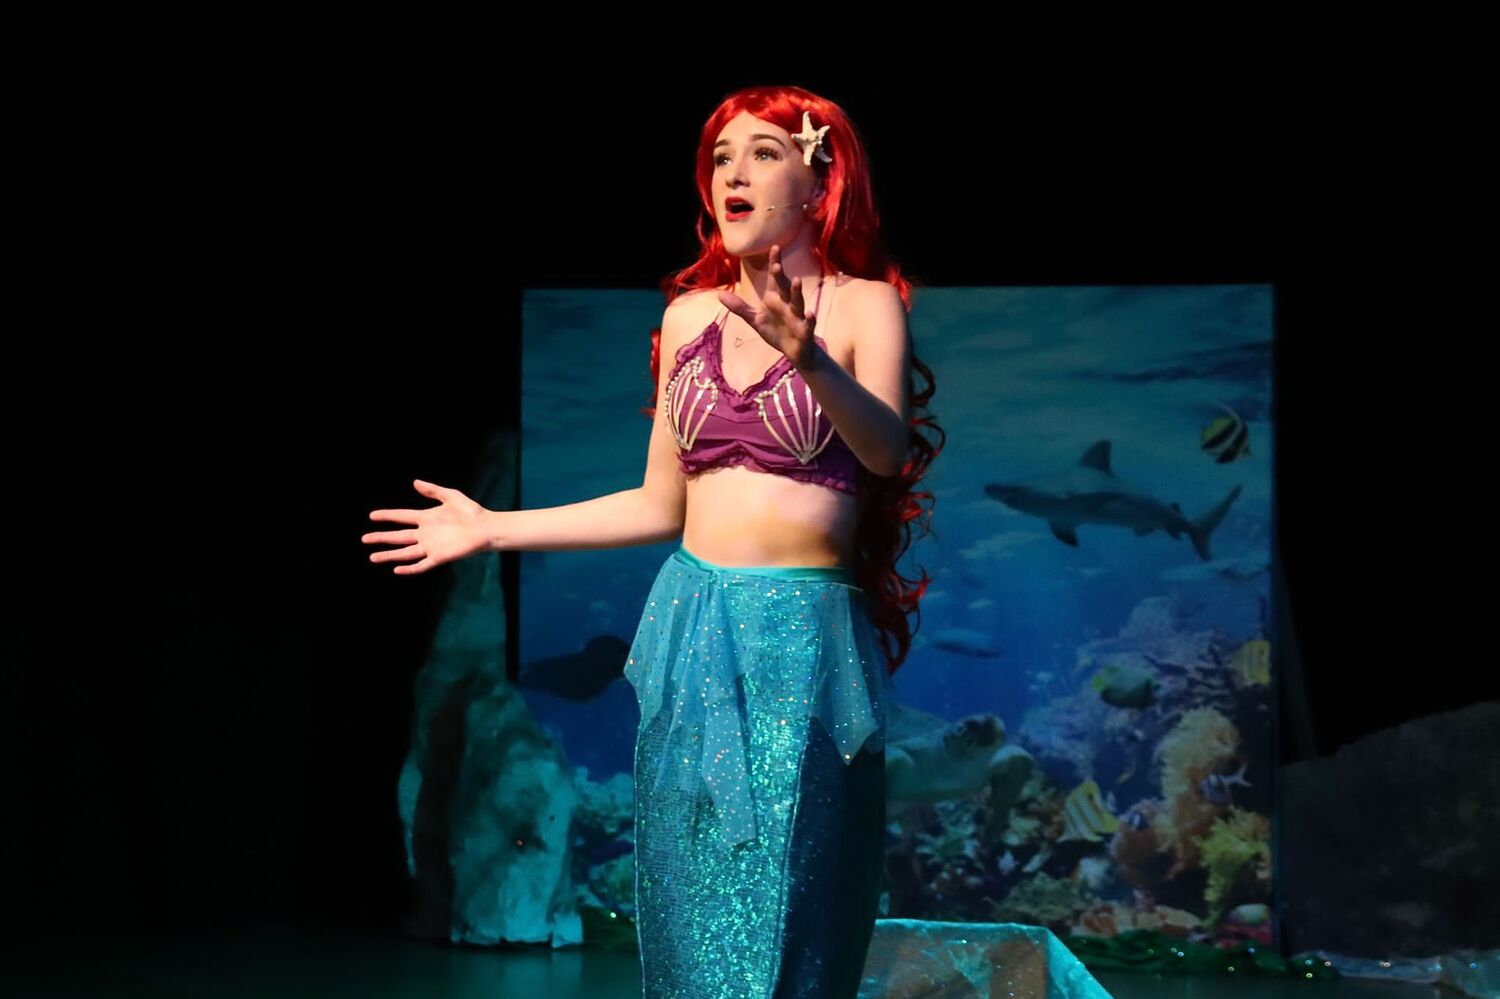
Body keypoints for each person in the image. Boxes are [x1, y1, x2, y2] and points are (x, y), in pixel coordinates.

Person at [364, 84, 942, 998]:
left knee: (803, 894)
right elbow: (658, 502)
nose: (733, 174)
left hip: (803, 639)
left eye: (763, 153)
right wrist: (492, 527)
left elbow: (884, 452)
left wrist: (807, 357)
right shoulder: (688, 318)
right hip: (695, 626)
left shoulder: (864, 304)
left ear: (817, 180)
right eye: (720, 158)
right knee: (692, 901)